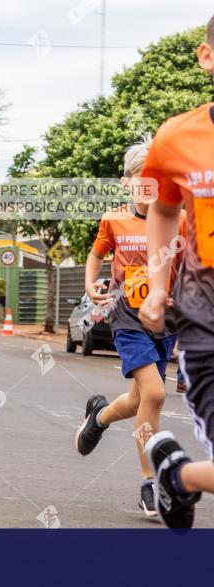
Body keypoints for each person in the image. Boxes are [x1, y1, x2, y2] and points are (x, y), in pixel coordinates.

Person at [73, 137, 187, 519]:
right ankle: (148, 482)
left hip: (165, 320)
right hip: (128, 318)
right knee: (155, 395)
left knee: (139, 400)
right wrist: (91, 283)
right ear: (126, 183)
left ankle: (99, 417)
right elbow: (96, 253)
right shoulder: (115, 219)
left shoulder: (177, 219)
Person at [136, 15, 214, 529]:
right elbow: (162, 210)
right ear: (208, 57)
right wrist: (158, 285)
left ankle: (177, 476)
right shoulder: (176, 137)